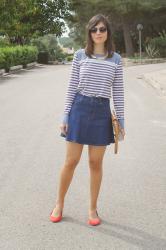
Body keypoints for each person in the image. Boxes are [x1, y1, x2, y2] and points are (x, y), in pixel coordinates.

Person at [50, 13, 125, 226]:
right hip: (79, 109)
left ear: (108, 32)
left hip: (102, 111)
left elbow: (118, 93)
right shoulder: (80, 56)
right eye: (94, 29)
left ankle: (92, 209)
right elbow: (72, 86)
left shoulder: (116, 60)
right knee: (71, 161)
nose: (98, 33)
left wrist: (121, 121)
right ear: (89, 33)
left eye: (102, 29)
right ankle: (59, 204)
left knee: (95, 163)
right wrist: (65, 114)